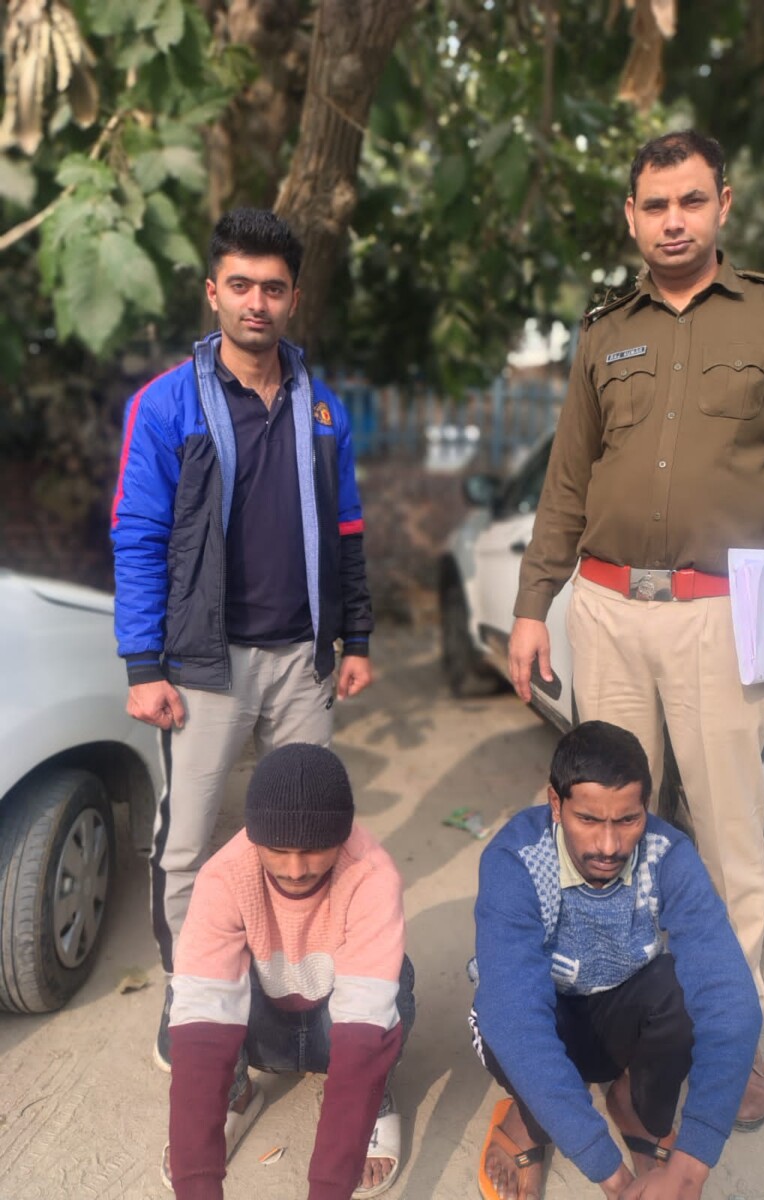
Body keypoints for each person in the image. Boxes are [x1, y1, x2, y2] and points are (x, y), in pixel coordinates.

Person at [507, 130, 764, 1126]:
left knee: (731, 837)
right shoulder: (605, 331)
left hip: (722, 614)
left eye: (691, 201)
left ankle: (731, 1035)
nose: (672, 222)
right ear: (631, 216)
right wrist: (532, 605)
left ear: (723, 204)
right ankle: (618, 1027)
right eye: (655, 205)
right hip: (608, 609)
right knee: (605, 832)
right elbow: (568, 480)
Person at [110, 208, 374, 1066]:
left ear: (293, 297)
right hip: (204, 665)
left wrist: (356, 639)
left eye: (273, 287)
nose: (256, 302)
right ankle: (194, 998)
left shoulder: (321, 407)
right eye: (240, 285)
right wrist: (143, 663)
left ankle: (290, 991)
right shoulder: (165, 404)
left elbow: (347, 530)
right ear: (213, 292)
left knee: (307, 834)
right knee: (188, 845)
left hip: (302, 660)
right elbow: (138, 534)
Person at [470, 720, 761, 1200]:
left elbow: (730, 1001)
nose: (609, 846)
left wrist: (690, 1170)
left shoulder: (668, 854)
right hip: (549, 1015)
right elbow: (515, 1020)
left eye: (627, 820)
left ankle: (637, 1110)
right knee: (502, 1021)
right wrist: (612, 1175)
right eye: (588, 820)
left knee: (687, 989)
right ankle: (529, 1122)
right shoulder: (515, 860)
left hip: (621, 1008)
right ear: (556, 803)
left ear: (645, 808)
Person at [162, 742, 414, 1200]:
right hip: (266, 1032)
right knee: (188, 994)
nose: (296, 870)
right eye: (277, 850)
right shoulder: (224, 876)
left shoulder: (371, 874)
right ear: (253, 836)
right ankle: (237, 1094)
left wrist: (329, 1187)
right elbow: (203, 1026)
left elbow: (363, 1034)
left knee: (394, 984)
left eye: (314, 850)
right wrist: (195, 1179)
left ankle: (372, 1104)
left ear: (343, 835)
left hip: (335, 1033)